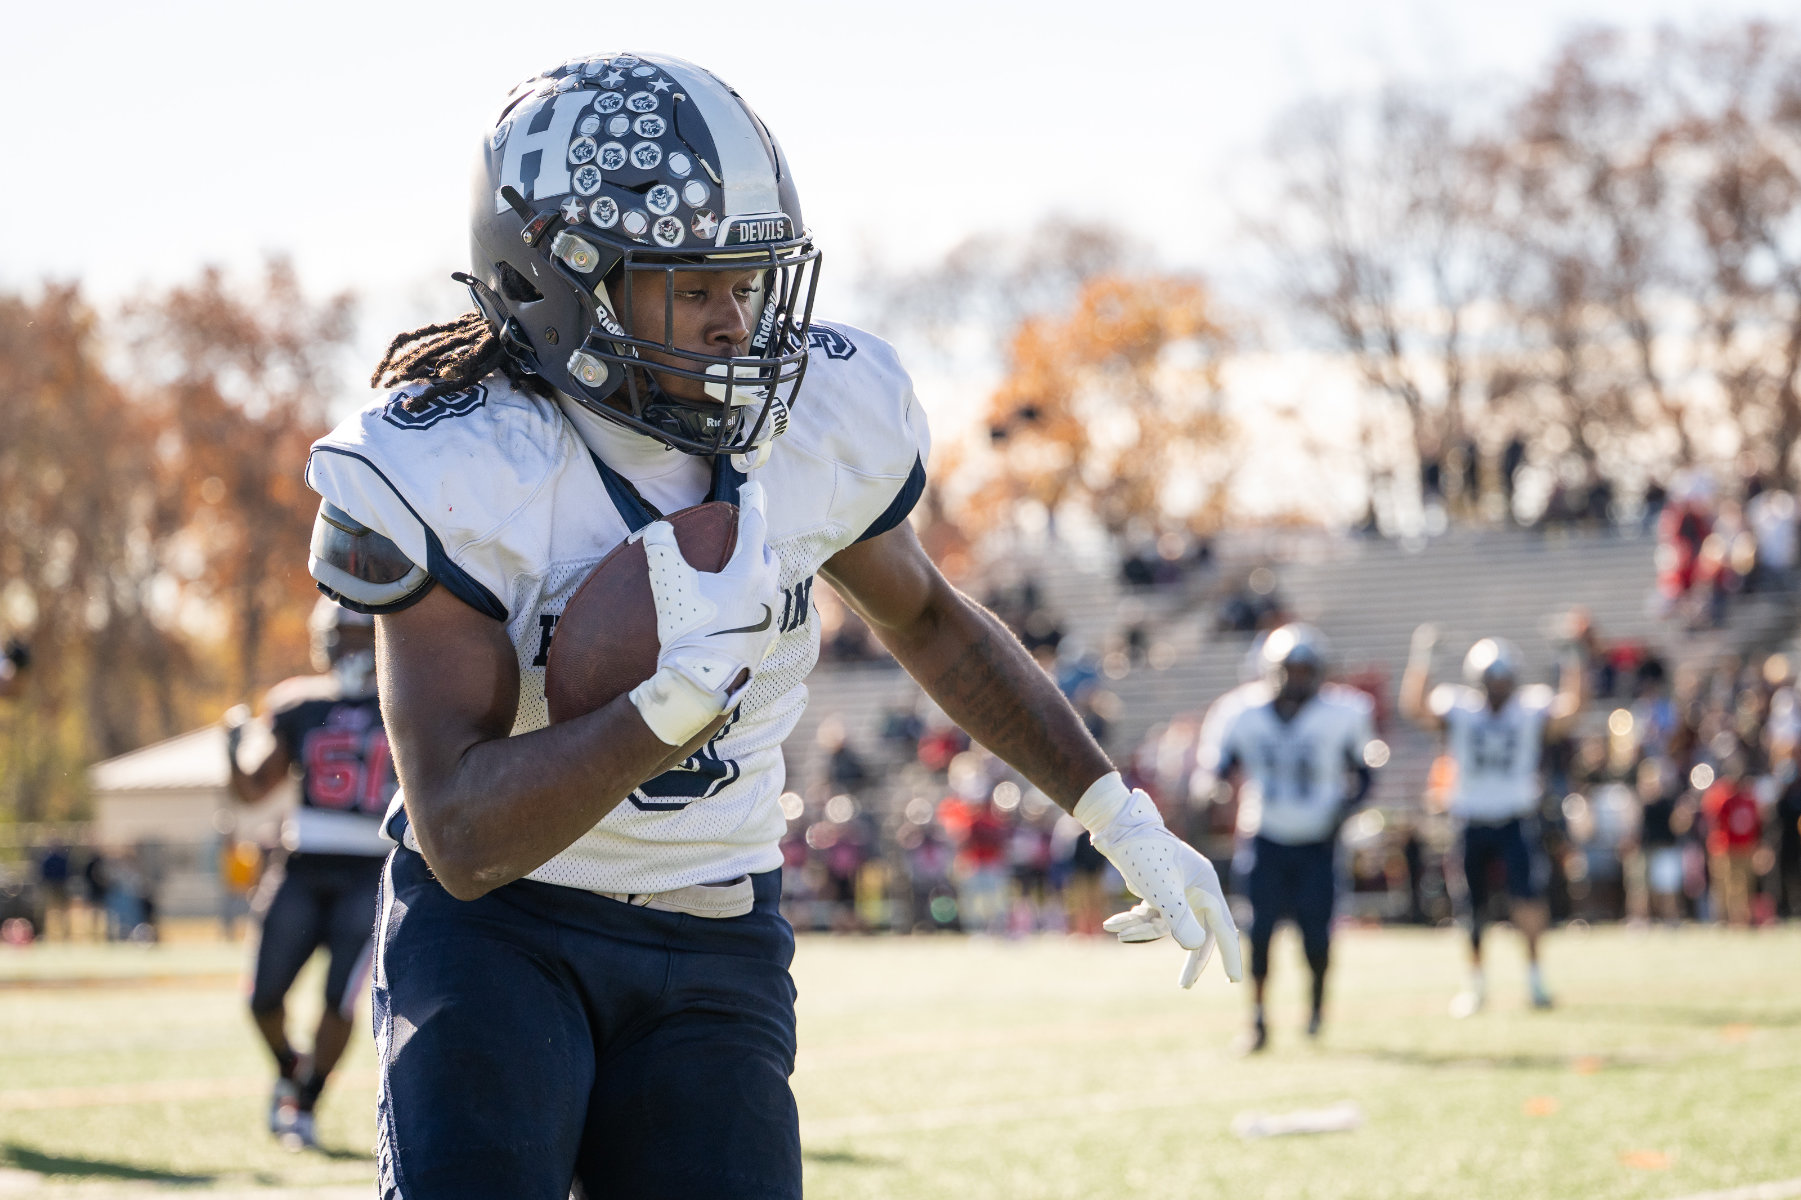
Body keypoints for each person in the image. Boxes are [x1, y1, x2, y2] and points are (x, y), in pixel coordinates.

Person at [300, 52, 1241, 1200]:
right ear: (558, 283)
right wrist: (664, 712)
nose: (734, 320)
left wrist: (1115, 809)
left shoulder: (809, 425)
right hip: (499, 932)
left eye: (748, 281)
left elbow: (934, 623)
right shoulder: (456, 464)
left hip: (715, 934)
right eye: (691, 287)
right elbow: (459, 832)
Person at [225, 598, 395, 1150]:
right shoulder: (298, 702)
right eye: (333, 637)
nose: (337, 649)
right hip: (303, 865)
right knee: (261, 998)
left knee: (338, 1000)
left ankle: (307, 1099)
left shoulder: (405, 697)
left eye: (348, 637)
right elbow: (254, 787)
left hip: (372, 869)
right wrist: (232, 750)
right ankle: (288, 1067)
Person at [1190, 624, 1377, 1052]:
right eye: (1289, 669)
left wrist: (1343, 813)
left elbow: (1366, 774)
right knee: (1259, 932)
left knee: (1316, 933)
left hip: (1318, 840)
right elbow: (1216, 769)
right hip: (1265, 836)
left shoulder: (1344, 711)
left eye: (1304, 669)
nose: (1296, 677)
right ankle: (1257, 1019)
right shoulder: (1240, 711)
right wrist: (1211, 791)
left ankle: (1315, 1009)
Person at [1402, 625, 1583, 1016]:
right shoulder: (1460, 708)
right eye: (1491, 678)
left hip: (1517, 818)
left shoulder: (1529, 708)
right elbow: (1414, 708)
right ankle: (1476, 984)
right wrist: (1423, 661)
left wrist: (1573, 661)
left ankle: (1535, 979)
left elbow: (1571, 713)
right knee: (1471, 907)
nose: (1498, 686)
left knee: (1529, 900)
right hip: (1470, 818)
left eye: (1503, 678)